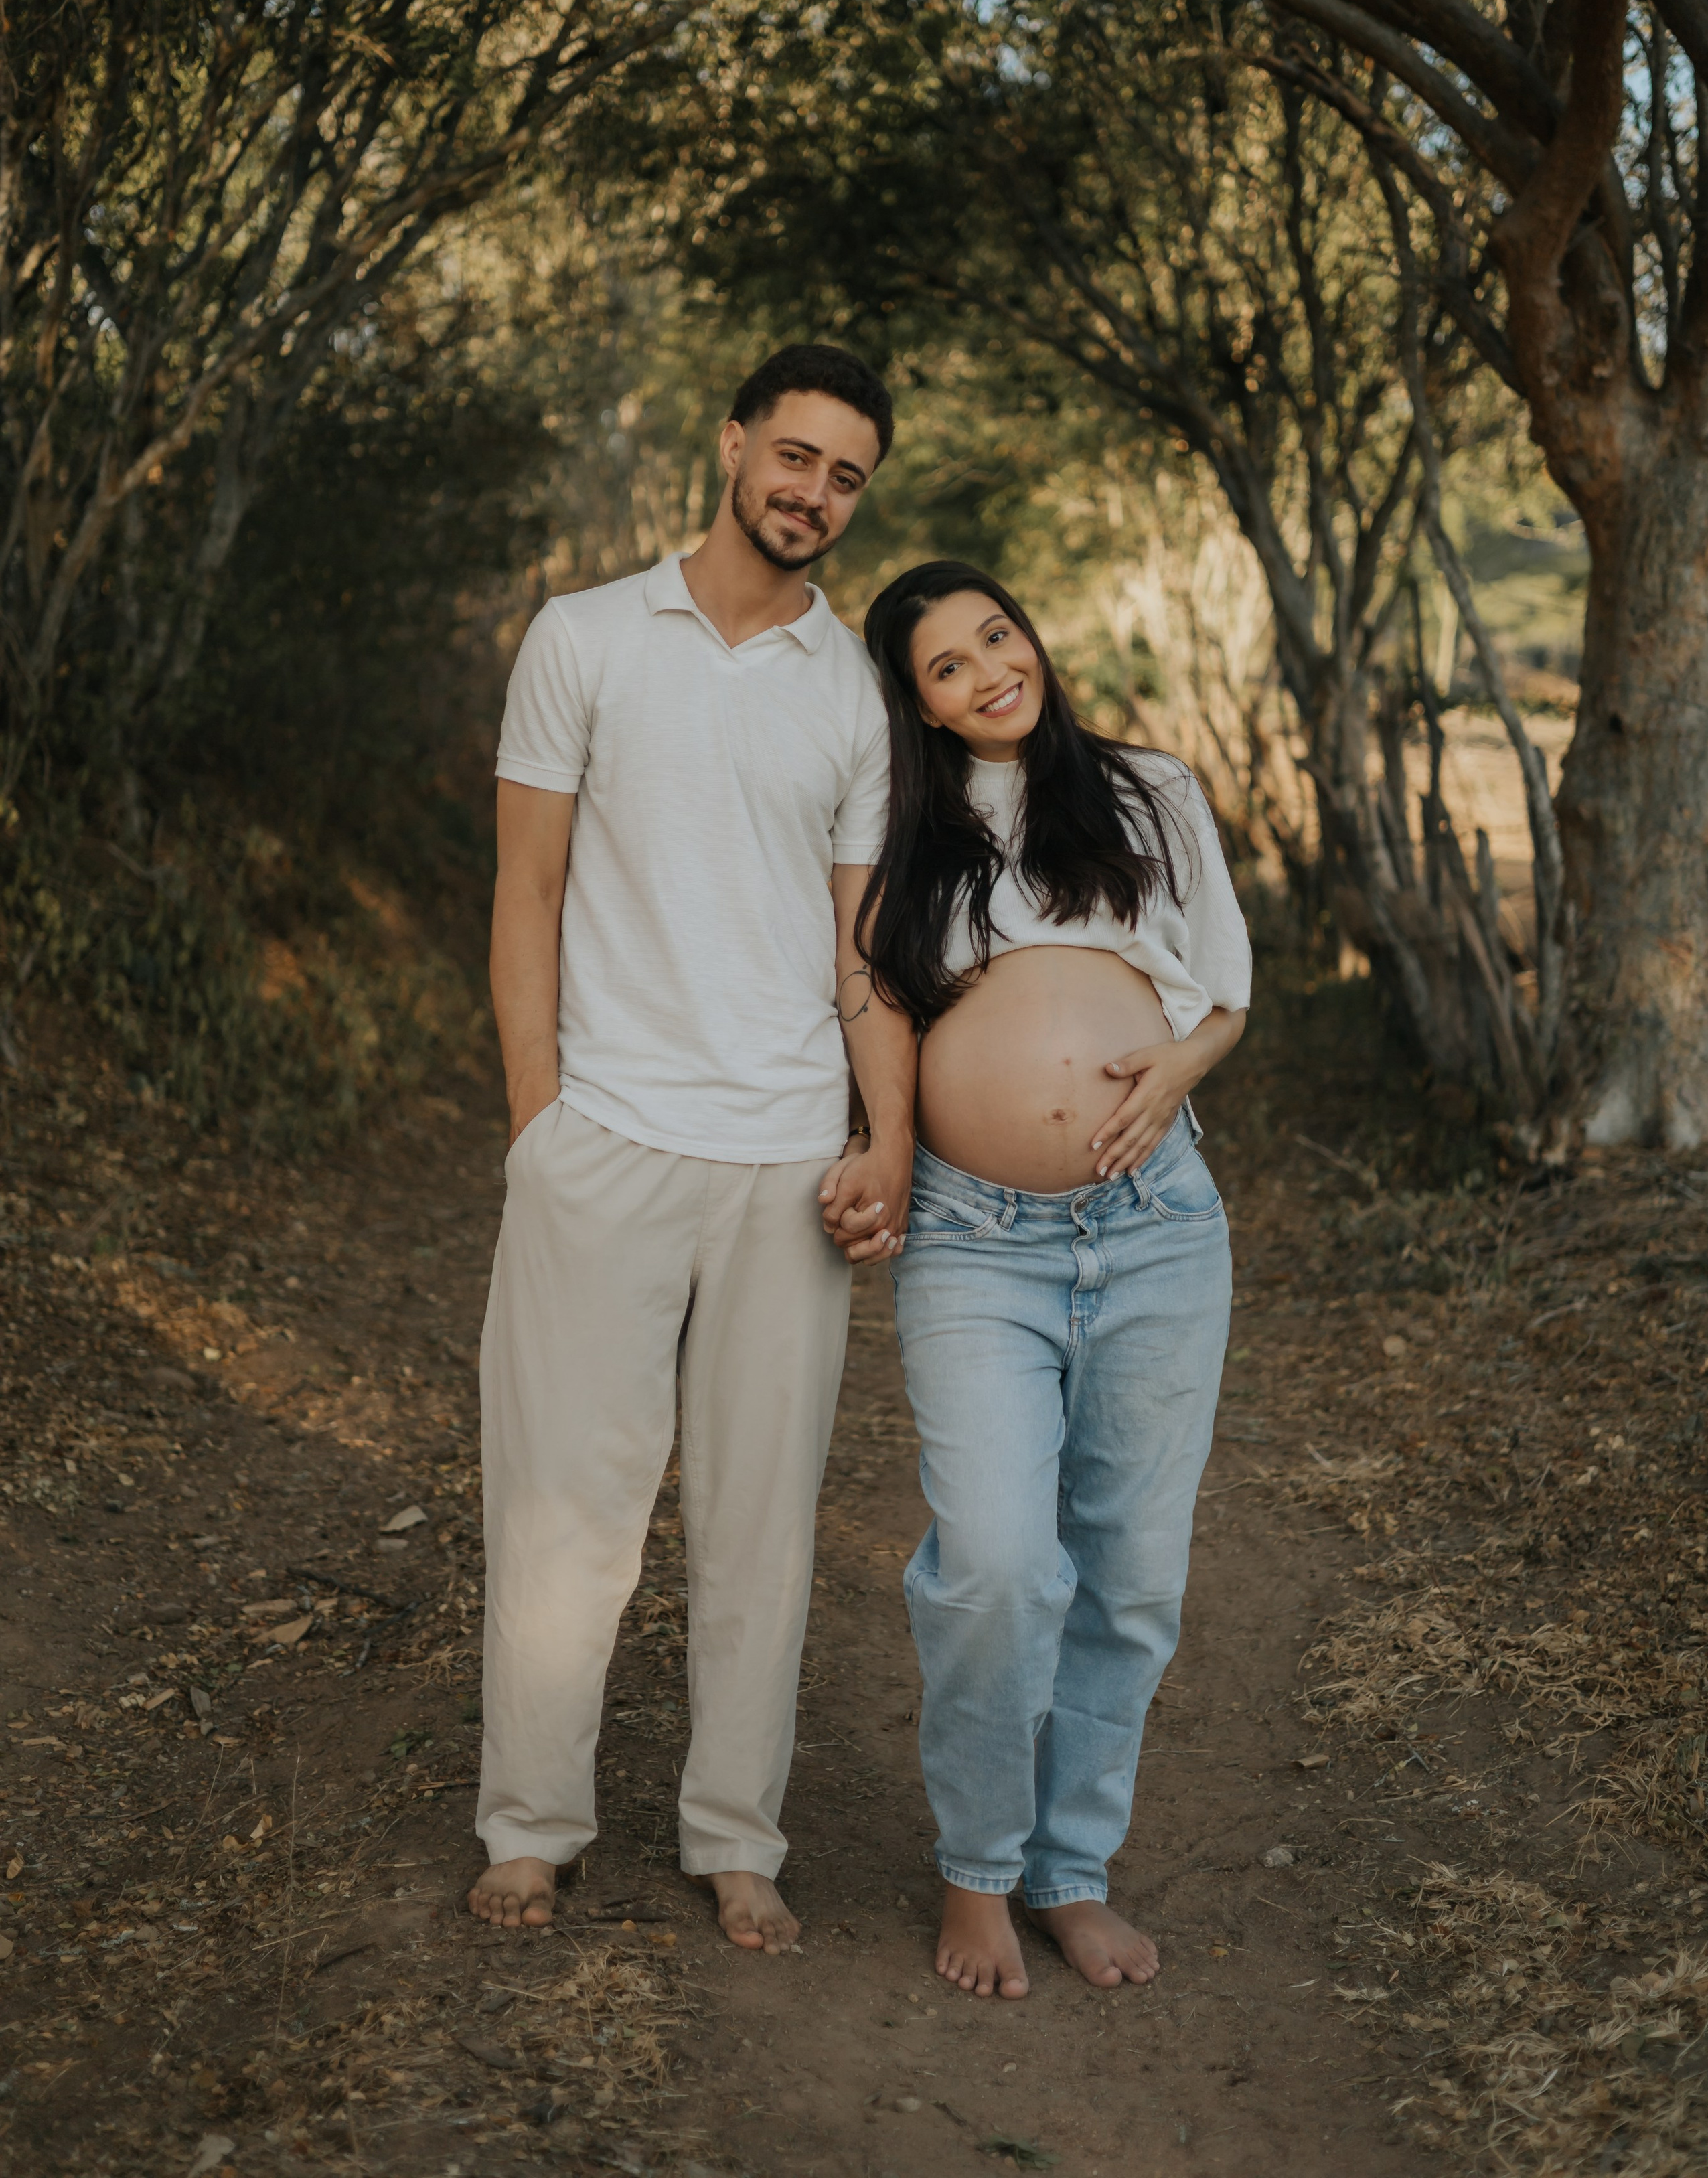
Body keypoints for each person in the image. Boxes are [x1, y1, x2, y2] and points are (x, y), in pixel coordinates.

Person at [467, 345, 915, 1955]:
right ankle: (531, 1825)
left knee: (758, 1516)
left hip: (787, 1159)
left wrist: (891, 1141)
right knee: (560, 1503)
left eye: (844, 476)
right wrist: (540, 1125)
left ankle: (736, 1835)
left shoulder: (857, 689)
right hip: (606, 1137)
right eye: (792, 456)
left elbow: (861, 948)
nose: (811, 493)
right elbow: (525, 892)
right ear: (732, 447)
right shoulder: (583, 635)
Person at [854, 559, 1251, 2001]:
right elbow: (879, 1006)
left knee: (1131, 1573)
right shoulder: (902, 823)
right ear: (914, 704)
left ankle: (1068, 1872)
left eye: (994, 639)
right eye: (943, 669)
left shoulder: (1148, 788)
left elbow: (1222, 987)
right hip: (973, 1241)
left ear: (1032, 636)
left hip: (1155, 1224)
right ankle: (975, 1867)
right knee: (1000, 1564)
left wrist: (1169, 1076)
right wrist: (885, 1156)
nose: (982, 675)